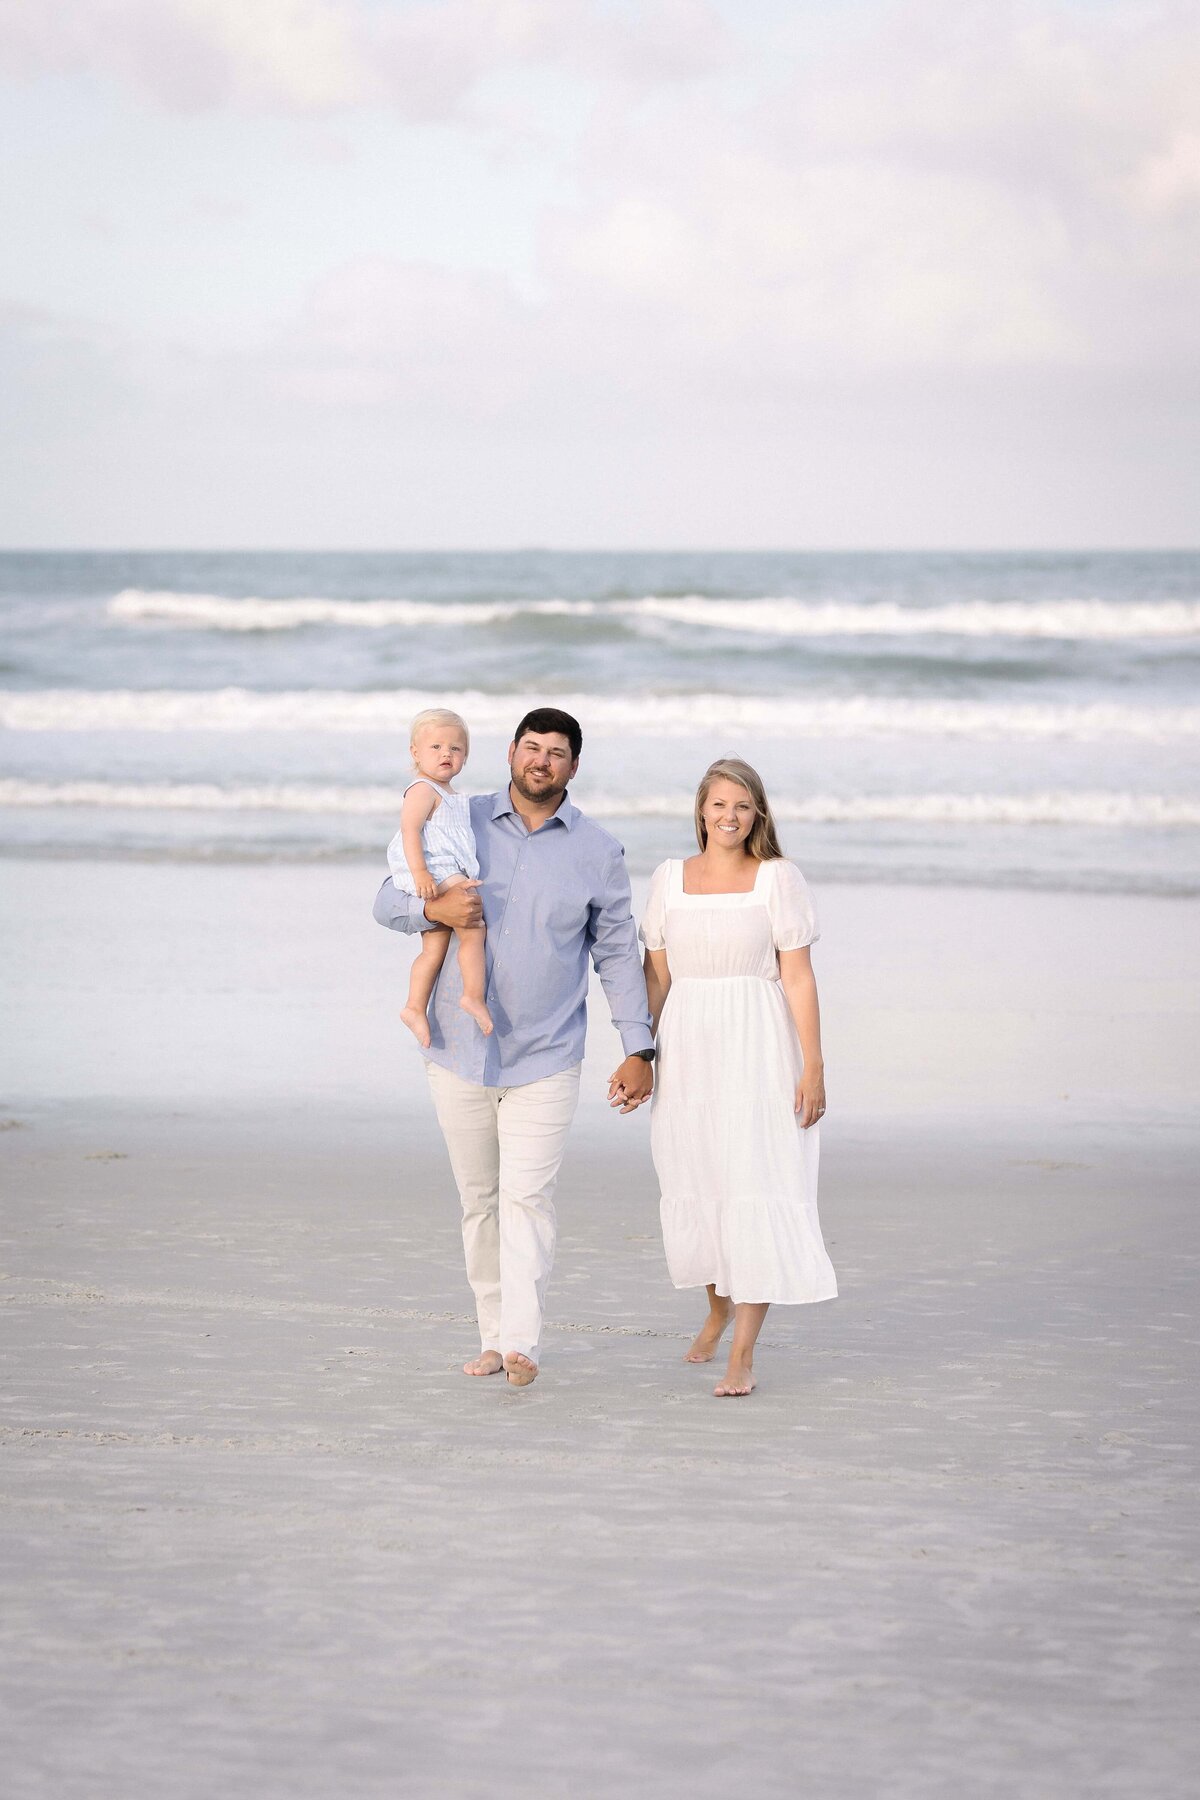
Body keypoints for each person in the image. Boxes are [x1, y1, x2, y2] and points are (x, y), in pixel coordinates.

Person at [373, 707, 655, 1387]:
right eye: (532, 748)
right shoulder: (455, 814)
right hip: (456, 1047)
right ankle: (493, 1337)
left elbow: (617, 953)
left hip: (548, 1056)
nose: (542, 761)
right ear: (510, 753)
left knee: (529, 1197)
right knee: (480, 1200)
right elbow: (386, 900)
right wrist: (431, 911)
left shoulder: (599, 850)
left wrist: (638, 1047)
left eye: (557, 753)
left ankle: (523, 1342)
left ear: (574, 767)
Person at [640, 757, 836, 1397]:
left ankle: (743, 1354)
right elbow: (658, 979)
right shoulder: (669, 880)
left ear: (758, 815)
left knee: (759, 1179)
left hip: (759, 1045)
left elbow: (799, 977)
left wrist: (813, 1064)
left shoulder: (777, 879)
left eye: (742, 806)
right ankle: (717, 1306)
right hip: (689, 1046)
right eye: (719, 804)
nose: (729, 816)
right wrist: (638, 1054)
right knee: (697, 1176)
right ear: (701, 809)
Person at [387, 708, 493, 1046]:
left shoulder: (451, 795)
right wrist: (420, 872)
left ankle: (414, 1006)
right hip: (434, 869)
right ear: (415, 752)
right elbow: (409, 830)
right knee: (474, 926)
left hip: (442, 868)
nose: (446, 753)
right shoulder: (422, 789)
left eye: (455, 748)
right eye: (435, 747)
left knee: (434, 948)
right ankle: (473, 995)